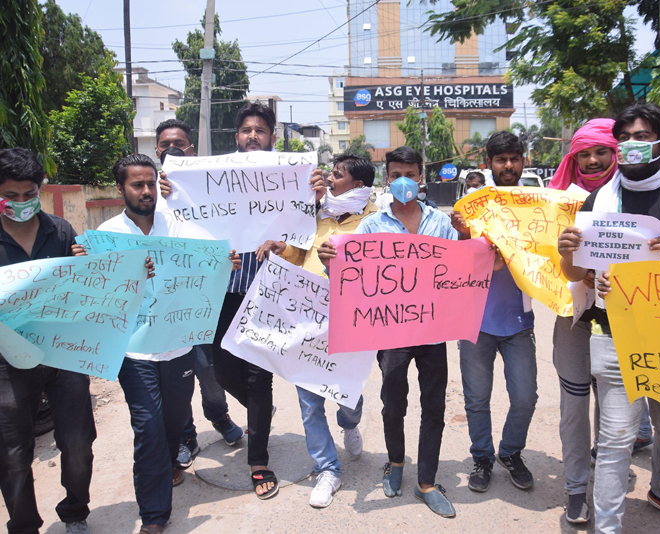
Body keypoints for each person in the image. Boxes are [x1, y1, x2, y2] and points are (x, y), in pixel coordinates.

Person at [558, 103, 660, 533]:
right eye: (624, 138)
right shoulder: (597, 200)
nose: (631, 146)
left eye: (642, 137)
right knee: (617, 437)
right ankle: (607, 526)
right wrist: (569, 252)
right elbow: (573, 274)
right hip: (615, 330)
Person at [81, 154, 239, 534]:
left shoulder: (179, 227)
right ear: (120, 189)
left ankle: (169, 462)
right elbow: (95, 291)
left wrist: (225, 260)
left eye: (151, 183)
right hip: (134, 353)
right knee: (147, 428)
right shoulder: (105, 236)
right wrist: (88, 263)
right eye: (137, 185)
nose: (147, 191)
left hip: (178, 346)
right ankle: (153, 516)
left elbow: (211, 256)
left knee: (171, 424)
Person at [318, 147, 464, 517]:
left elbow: (460, 272)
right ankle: (396, 463)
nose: (404, 181)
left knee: (433, 407)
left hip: (433, 332)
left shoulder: (440, 224)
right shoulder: (370, 226)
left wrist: (472, 245)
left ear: (420, 177)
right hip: (392, 333)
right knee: (393, 404)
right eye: (396, 173)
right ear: (388, 178)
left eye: (411, 173)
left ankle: (427, 481)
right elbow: (353, 278)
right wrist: (331, 263)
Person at [159, 102, 281, 500]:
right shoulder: (211, 176)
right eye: (246, 130)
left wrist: (311, 197)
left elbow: (305, 227)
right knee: (222, 371)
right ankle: (259, 411)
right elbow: (177, 221)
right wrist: (171, 190)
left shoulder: (289, 178)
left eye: (260, 130)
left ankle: (258, 459)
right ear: (236, 138)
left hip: (264, 292)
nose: (252, 136)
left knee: (258, 377)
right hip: (217, 293)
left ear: (271, 138)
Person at [254, 154, 377, 508]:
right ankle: (328, 469)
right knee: (309, 404)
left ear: (357, 186)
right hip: (306, 321)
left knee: (347, 397)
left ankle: (350, 424)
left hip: (350, 323)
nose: (329, 179)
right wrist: (283, 248)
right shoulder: (314, 214)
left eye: (337, 175)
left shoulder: (373, 221)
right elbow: (297, 252)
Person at [0, 148, 96, 534]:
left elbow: (82, 287)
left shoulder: (60, 231)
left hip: (63, 353)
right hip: (7, 362)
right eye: (12, 195)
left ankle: (75, 512)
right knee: (12, 453)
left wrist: (85, 263)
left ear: (39, 190)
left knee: (77, 442)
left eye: (29, 194)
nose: (21, 202)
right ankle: (24, 526)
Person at [153, 119, 244, 471]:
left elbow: (230, 225)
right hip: (163, 303)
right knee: (175, 377)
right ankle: (186, 436)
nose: (172, 148)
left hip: (202, 300)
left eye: (180, 143)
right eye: (165, 144)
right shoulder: (148, 190)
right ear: (157, 150)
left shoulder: (206, 186)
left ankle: (218, 417)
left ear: (192, 149)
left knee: (208, 369)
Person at [450, 131, 538, 496]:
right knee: (476, 398)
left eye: (514, 158)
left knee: (525, 396)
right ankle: (483, 457)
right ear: (488, 164)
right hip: (476, 321)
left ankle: (511, 452)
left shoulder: (539, 206)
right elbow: (456, 262)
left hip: (518, 322)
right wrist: (461, 235)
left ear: (524, 161)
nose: (508, 165)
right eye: (500, 159)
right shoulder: (473, 205)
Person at [547, 118, 619, 523]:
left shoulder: (634, 199)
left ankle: (607, 477)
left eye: (600, 152)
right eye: (583, 154)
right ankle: (576, 489)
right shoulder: (556, 202)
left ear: (616, 154)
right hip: (571, 313)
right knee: (574, 406)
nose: (591, 160)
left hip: (625, 318)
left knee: (615, 409)